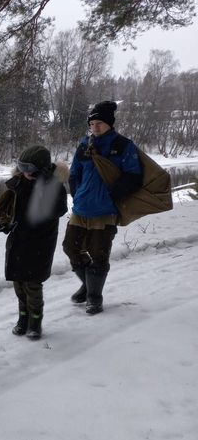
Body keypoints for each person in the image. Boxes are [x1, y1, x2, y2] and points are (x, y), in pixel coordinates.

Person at [65, 101, 143, 314]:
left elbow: (134, 176)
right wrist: (77, 192)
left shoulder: (123, 145)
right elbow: (74, 173)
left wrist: (110, 195)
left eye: (100, 123)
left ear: (109, 124)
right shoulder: (84, 144)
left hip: (105, 211)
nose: (95, 127)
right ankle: (87, 284)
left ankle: (94, 296)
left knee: (98, 255)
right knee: (70, 247)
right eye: (92, 123)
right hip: (81, 208)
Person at [0, 145, 68, 339]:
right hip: (18, 242)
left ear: (42, 169)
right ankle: (23, 317)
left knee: (33, 285)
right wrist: (0, 222)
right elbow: (6, 209)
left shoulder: (54, 187)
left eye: (30, 170)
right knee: (19, 284)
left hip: (40, 244)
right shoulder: (17, 183)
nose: (26, 173)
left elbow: (56, 211)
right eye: (22, 168)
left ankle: (35, 321)